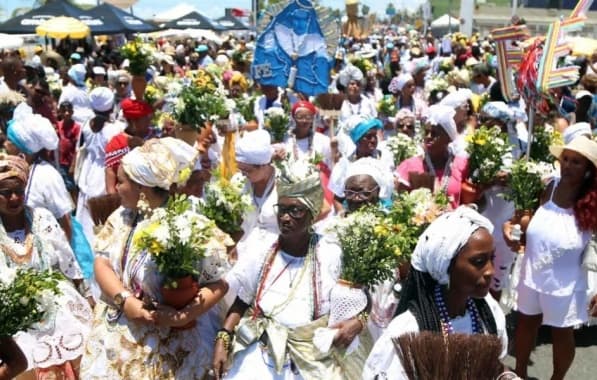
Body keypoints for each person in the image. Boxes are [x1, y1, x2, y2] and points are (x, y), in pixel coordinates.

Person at [80, 138, 230, 379]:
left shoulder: (188, 222)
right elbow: (102, 262)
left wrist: (185, 315)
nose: (116, 188)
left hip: (175, 344)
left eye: (121, 182)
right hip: (121, 333)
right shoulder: (121, 217)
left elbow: (219, 283)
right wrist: (125, 300)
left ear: (142, 188)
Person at [212, 162, 371, 379]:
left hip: (312, 359)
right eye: (283, 209)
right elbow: (243, 300)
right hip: (260, 355)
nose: (285, 218)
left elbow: (361, 301)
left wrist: (358, 322)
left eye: (295, 210)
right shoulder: (262, 251)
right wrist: (224, 337)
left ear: (312, 213)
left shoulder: (331, 253)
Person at [363, 206, 507, 380]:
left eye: (491, 258)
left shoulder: (487, 312)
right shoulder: (410, 330)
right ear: (445, 265)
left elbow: (495, 364)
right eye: (478, 261)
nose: (490, 271)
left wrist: (508, 375)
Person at [504, 136, 597, 380]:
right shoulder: (549, 187)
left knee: (561, 332)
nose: (567, 165)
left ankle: (557, 378)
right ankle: (520, 372)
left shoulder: (592, 203)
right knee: (526, 323)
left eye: (576, 162)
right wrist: (510, 228)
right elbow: (521, 220)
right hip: (533, 271)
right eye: (565, 159)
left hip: (565, 282)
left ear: (588, 170)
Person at [0, 154, 92, 380]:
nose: (14, 198)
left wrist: (87, 297)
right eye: (5, 193)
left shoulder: (42, 218)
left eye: (19, 191)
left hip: (58, 307)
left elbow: (68, 262)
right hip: (14, 317)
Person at [5, 109, 74, 241]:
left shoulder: (47, 175)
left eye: (10, 141)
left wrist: (61, 258)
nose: (5, 144)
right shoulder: (9, 170)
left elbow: (66, 223)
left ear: (22, 148)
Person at [75, 87, 124, 244]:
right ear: (110, 107)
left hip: (89, 171)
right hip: (106, 171)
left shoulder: (86, 125)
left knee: (86, 212)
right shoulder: (116, 129)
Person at [395, 104, 468, 209]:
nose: (428, 137)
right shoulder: (410, 165)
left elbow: (471, 199)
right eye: (426, 132)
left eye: (434, 134)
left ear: (448, 138)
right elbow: (399, 205)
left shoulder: (461, 164)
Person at [330, 116, 393, 213]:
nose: (373, 140)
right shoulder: (345, 164)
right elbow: (338, 198)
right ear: (357, 140)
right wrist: (343, 217)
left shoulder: (385, 157)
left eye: (374, 136)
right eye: (368, 137)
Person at [105, 98, 156, 194]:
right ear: (133, 122)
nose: (149, 119)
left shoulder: (156, 136)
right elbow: (110, 174)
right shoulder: (116, 142)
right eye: (145, 117)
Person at [56, 101, 80, 198]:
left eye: (68, 111)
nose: (66, 113)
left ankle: (77, 207)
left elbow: (77, 148)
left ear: (72, 112)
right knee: (65, 185)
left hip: (71, 162)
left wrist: (73, 165)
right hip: (61, 161)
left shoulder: (76, 127)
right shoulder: (58, 125)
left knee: (73, 186)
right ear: (60, 112)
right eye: (64, 111)